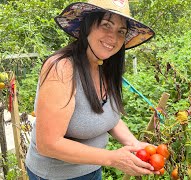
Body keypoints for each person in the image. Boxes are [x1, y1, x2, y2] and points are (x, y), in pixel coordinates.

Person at [25, 0, 157, 179]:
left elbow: (107, 117)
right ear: (87, 27)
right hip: (56, 176)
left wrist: (135, 145)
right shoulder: (62, 69)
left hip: (93, 169)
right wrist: (112, 158)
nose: (113, 37)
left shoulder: (104, 66)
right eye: (106, 25)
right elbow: (48, 144)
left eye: (121, 31)